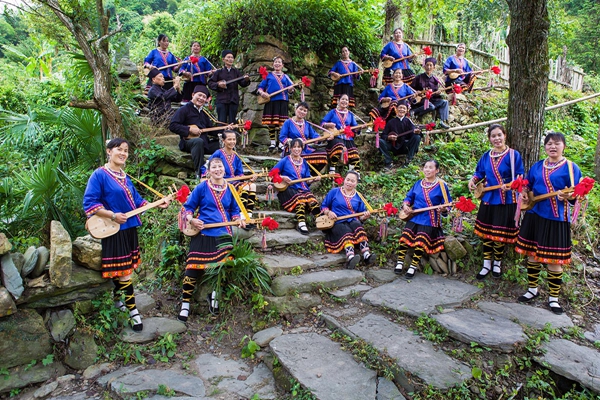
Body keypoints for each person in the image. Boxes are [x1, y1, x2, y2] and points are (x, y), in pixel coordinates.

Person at [83, 138, 171, 331]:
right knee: (125, 274)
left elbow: (137, 201)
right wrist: (112, 215)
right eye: (119, 149)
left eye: (126, 150)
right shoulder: (100, 175)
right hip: (113, 230)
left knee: (124, 269)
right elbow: (89, 203)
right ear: (108, 151)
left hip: (129, 227)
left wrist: (157, 203)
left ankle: (117, 302)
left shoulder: (124, 176)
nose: (123, 153)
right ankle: (133, 312)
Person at [515, 132, 582, 315]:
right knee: (532, 255)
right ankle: (532, 289)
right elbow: (527, 185)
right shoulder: (537, 166)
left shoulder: (571, 168)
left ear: (564, 146)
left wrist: (568, 196)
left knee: (554, 260)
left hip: (556, 219)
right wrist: (524, 193)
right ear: (545, 146)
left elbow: (577, 194)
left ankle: (553, 298)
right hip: (534, 215)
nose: (553, 147)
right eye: (549, 144)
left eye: (557, 144)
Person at [178, 157, 247, 320]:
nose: (218, 169)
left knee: (222, 268)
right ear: (208, 171)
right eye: (214, 167)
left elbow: (235, 210)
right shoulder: (202, 187)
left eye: (220, 166)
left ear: (224, 169)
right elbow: (187, 208)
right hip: (203, 233)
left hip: (223, 234)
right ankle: (185, 304)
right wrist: (192, 220)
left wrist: (238, 219)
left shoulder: (230, 188)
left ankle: (214, 297)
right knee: (192, 268)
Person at [468, 124, 524, 280]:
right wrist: (473, 180)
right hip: (489, 198)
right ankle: (486, 264)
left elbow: (520, 175)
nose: (497, 138)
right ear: (489, 139)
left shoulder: (514, 155)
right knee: (487, 234)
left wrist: (512, 184)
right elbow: (479, 172)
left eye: (499, 135)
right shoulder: (486, 156)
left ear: (505, 135)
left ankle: (497, 263)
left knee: (499, 234)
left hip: (506, 199)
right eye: (493, 136)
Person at [395, 160, 451, 279]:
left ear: (437, 170)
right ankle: (399, 263)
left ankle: (413, 267)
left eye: (431, 167)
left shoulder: (441, 185)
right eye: (425, 167)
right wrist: (406, 206)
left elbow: (447, 205)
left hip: (430, 219)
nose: (427, 170)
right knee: (405, 238)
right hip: (415, 216)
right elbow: (409, 197)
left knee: (421, 241)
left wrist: (443, 209)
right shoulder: (418, 183)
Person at [320, 171, 375, 269]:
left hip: (352, 220)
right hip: (337, 221)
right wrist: (329, 212)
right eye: (348, 180)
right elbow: (324, 206)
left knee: (359, 228)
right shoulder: (334, 192)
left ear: (356, 183)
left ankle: (367, 255)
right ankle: (350, 258)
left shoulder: (359, 196)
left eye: (352, 181)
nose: (349, 183)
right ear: (344, 180)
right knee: (346, 233)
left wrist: (364, 216)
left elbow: (360, 215)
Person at [169, 85, 223, 179]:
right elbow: (173, 126)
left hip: (204, 144)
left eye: (204, 97)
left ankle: (225, 171)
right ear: (193, 94)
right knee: (198, 141)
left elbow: (210, 129)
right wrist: (189, 129)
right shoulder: (184, 109)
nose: (201, 98)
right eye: (199, 95)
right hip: (188, 143)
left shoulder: (203, 113)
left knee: (224, 144)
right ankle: (200, 172)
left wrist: (225, 129)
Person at [271, 138, 321, 235]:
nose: (296, 149)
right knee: (300, 200)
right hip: (288, 189)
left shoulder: (304, 162)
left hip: (303, 188)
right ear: (290, 148)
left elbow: (307, 179)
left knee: (312, 201)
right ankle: (301, 223)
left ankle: (321, 221)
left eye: (299, 147)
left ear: (302, 148)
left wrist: (313, 179)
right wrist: (282, 177)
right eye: (294, 147)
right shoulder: (285, 160)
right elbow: (272, 173)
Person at [207, 130, 257, 219]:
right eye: (229, 139)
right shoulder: (218, 153)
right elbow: (207, 166)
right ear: (223, 141)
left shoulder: (236, 155)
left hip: (235, 181)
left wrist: (247, 178)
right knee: (244, 187)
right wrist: (207, 175)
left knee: (252, 186)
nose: (232, 142)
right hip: (224, 181)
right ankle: (241, 214)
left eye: (234, 139)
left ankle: (249, 214)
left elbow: (239, 173)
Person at [279, 102, 328, 174]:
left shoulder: (307, 124)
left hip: (305, 149)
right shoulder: (288, 122)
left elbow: (314, 136)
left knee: (323, 155)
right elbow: (282, 137)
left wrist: (323, 138)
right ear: (295, 109)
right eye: (300, 109)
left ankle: (310, 175)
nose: (302, 112)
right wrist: (290, 141)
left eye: (305, 111)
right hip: (292, 149)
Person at [258, 56, 295, 152]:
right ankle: (272, 142)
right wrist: (263, 93)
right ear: (273, 64)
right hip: (271, 101)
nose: (277, 64)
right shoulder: (268, 76)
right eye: (275, 62)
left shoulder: (286, 77)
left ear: (282, 65)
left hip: (282, 101)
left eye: (279, 62)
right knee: (271, 123)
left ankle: (281, 143)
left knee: (281, 123)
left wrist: (291, 89)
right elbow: (260, 87)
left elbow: (291, 89)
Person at [321, 94, 361, 173]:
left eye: (346, 100)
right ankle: (332, 168)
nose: (344, 101)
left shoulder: (350, 114)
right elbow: (323, 122)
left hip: (347, 138)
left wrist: (358, 129)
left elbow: (355, 127)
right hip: (336, 136)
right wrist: (327, 125)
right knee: (339, 147)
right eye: (343, 99)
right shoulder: (332, 112)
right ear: (338, 101)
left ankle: (354, 173)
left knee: (354, 154)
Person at [208, 50, 250, 124]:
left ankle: (232, 135)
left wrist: (246, 80)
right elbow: (210, 83)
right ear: (223, 59)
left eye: (232, 57)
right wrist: (218, 85)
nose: (230, 59)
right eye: (228, 57)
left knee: (232, 122)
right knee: (222, 121)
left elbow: (242, 83)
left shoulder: (236, 72)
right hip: (221, 100)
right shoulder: (219, 72)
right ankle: (221, 135)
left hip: (233, 100)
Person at [378, 102, 421, 170]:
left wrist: (417, 132)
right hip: (393, 146)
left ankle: (408, 160)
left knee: (417, 137)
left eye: (404, 108)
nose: (402, 110)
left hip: (405, 146)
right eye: (400, 107)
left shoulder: (408, 121)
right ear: (396, 109)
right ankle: (388, 162)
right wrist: (389, 137)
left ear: (406, 111)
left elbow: (412, 134)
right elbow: (383, 135)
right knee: (380, 141)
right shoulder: (390, 122)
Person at [410, 57, 450, 129]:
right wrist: (417, 92)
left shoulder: (435, 79)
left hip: (432, 99)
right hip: (421, 99)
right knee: (431, 106)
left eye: (430, 65)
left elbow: (435, 91)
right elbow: (411, 89)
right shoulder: (419, 77)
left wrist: (437, 93)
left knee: (445, 102)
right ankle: (414, 111)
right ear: (424, 66)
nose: (429, 67)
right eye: (427, 65)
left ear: (434, 67)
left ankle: (442, 121)